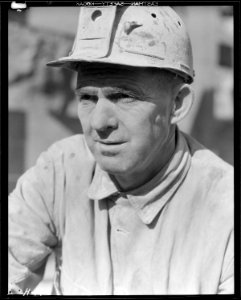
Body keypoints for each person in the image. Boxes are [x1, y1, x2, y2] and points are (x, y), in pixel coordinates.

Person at [8, 6, 233, 295]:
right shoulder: (61, 170)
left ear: (177, 104)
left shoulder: (226, 206)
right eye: (87, 97)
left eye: (124, 97)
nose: (99, 122)